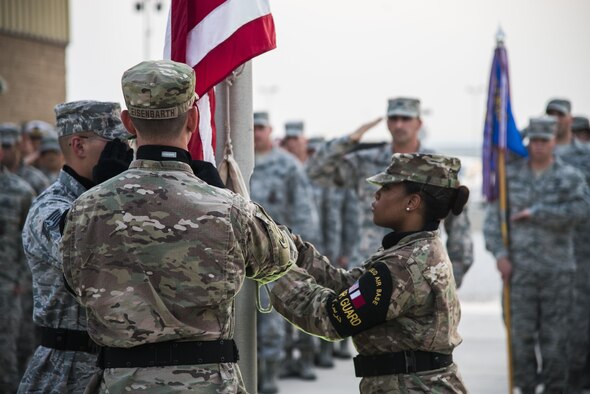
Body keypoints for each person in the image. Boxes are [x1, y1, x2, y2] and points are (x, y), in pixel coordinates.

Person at [61, 60, 296, 393]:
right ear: (193, 118)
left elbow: (74, 282)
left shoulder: (84, 210)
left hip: (123, 383)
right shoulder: (229, 209)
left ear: (128, 122)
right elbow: (280, 259)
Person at [270, 152, 468, 393]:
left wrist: (274, 268)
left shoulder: (404, 266)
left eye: (387, 187)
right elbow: (346, 287)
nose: (377, 194)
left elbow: (330, 318)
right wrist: (293, 248)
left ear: (412, 202)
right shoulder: (413, 249)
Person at [18, 100, 133, 393]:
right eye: (114, 144)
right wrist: (107, 193)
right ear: (78, 146)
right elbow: (87, 261)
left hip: (117, 368)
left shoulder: (120, 201)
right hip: (65, 372)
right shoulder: (49, 208)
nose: (124, 153)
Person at [307, 97, 473, 288]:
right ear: (387, 123)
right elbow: (314, 171)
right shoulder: (366, 161)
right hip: (366, 268)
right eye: (393, 119)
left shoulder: (437, 168)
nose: (399, 124)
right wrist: (350, 139)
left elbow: (459, 229)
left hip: (418, 273)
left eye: (405, 118)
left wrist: (451, 280)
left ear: (419, 123)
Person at [484, 116, 590, 394]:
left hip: (558, 272)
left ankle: (555, 389)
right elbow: (493, 220)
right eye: (535, 140)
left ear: (554, 141)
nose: (539, 146)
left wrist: (539, 214)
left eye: (545, 140)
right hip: (520, 272)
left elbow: (581, 212)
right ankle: (527, 387)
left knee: (556, 341)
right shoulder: (511, 177)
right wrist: (500, 255)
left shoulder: (569, 177)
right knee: (520, 338)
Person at [251, 113, 319, 392]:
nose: (255, 133)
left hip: (275, 257)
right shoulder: (237, 161)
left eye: (260, 128)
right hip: (240, 255)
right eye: (251, 128)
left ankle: (268, 375)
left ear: (269, 131)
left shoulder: (288, 166)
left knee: (271, 319)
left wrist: (300, 257)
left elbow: (304, 212)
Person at [545, 99, 590, 391]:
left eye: (560, 114)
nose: (555, 119)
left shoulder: (584, 157)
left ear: (570, 119)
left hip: (584, 254)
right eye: (550, 114)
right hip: (547, 254)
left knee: (579, 322)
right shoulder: (533, 156)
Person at [0, 130, 35, 393]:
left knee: (7, 356)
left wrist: (23, 282)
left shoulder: (21, 191)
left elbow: (31, 242)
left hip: (9, 288)